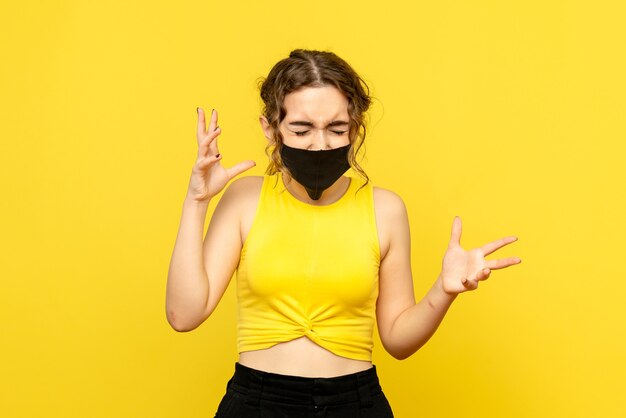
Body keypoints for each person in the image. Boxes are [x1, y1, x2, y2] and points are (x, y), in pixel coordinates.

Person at [166, 49, 521, 417]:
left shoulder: (386, 209)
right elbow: (183, 315)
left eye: (337, 129)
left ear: (355, 127)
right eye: (301, 130)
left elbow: (398, 340)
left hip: (355, 403)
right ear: (271, 129)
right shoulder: (244, 199)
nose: (320, 144)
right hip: (258, 402)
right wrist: (197, 202)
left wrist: (444, 291)